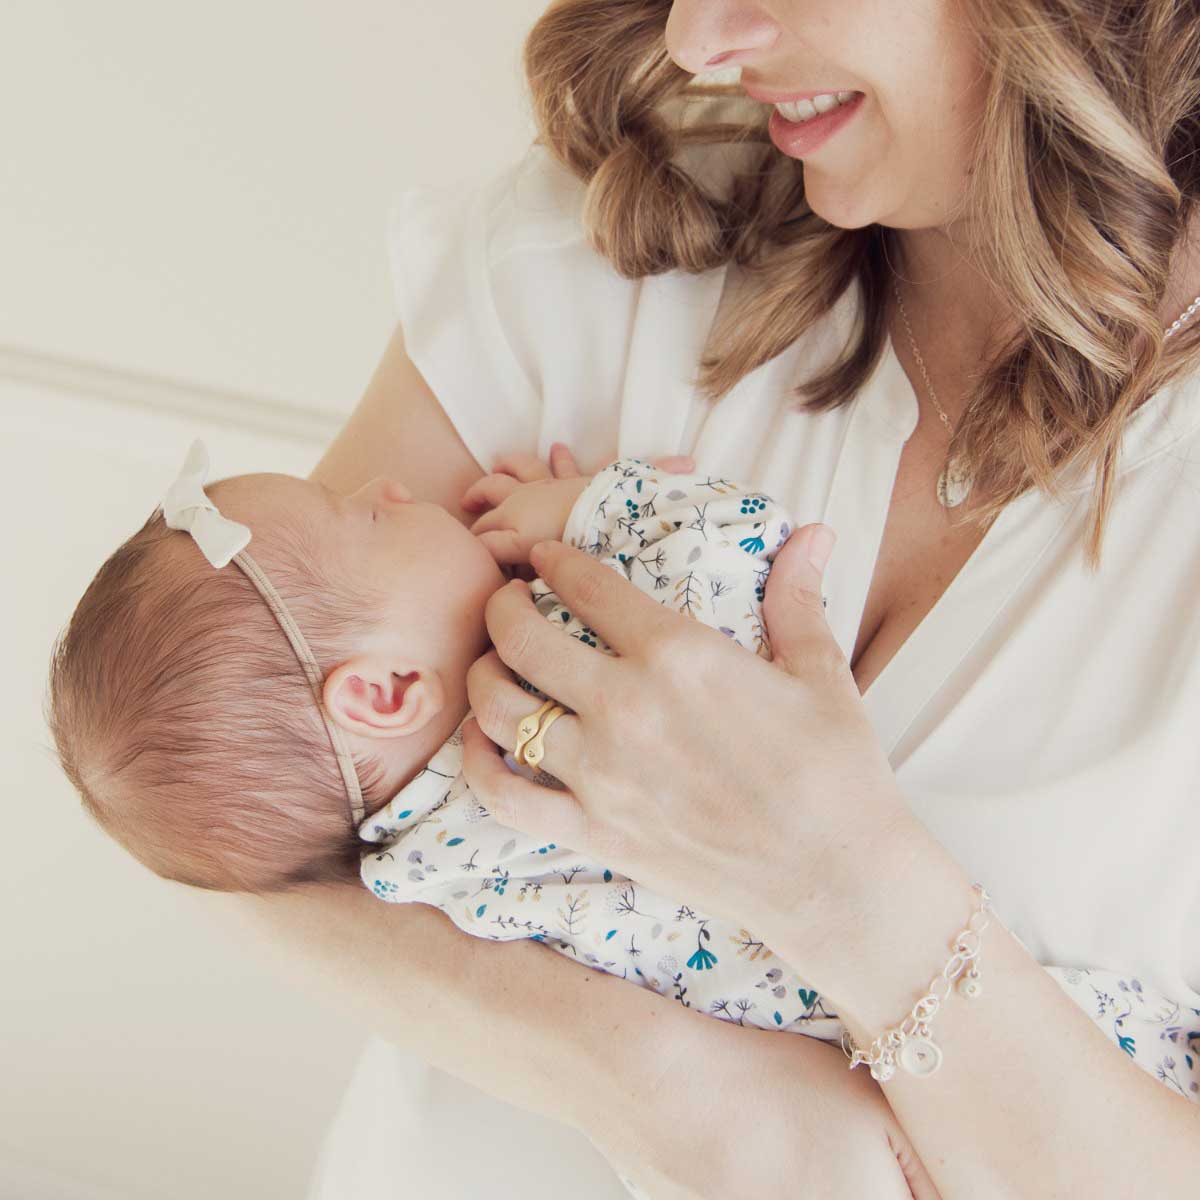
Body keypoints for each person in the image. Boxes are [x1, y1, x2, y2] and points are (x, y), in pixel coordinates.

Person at [234, 2, 1200, 1197]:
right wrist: (659, 1081)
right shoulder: (621, 227)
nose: (696, 41)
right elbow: (232, 816)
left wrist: (844, 887)